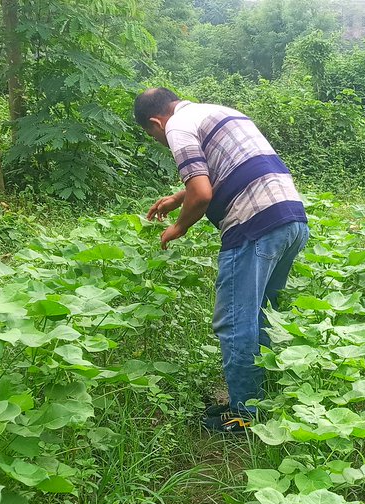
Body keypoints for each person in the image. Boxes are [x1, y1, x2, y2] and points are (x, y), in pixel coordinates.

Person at [133, 87, 310, 434]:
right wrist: (176, 197)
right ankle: (262, 400)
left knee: (235, 321)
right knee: (262, 313)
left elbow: (202, 193)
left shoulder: (177, 127)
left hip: (253, 224)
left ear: (156, 122)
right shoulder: (216, 111)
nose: (159, 141)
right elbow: (228, 169)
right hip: (290, 219)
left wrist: (178, 227)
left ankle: (245, 415)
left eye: (152, 135)